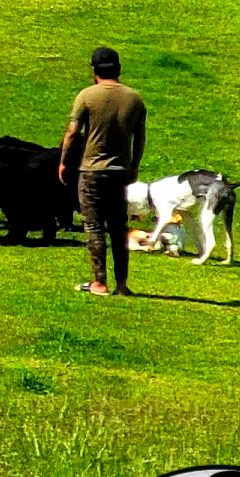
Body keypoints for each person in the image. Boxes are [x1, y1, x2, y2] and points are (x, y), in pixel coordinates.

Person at [56, 45, 148, 298]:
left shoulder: (86, 96)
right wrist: (134, 166)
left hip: (91, 170)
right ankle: (121, 283)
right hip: (120, 171)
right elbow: (139, 139)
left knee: (94, 225)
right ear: (118, 69)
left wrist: (64, 161)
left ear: (94, 70)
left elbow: (73, 132)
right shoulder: (135, 99)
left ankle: (99, 282)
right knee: (119, 226)